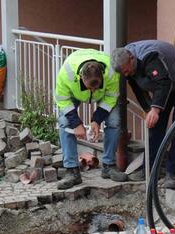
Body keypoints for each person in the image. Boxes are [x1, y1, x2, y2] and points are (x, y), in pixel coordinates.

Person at [111, 40, 175, 189]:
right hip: (165, 86)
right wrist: (148, 109)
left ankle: (172, 173)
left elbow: (164, 83)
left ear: (132, 59)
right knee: (155, 126)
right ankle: (151, 169)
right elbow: (138, 88)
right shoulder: (125, 63)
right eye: (124, 73)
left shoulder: (149, 56)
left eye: (127, 71)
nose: (127, 74)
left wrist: (155, 109)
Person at [55, 49, 128, 190]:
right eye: (91, 87)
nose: (94, 91)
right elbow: (63, 101)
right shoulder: (67, 73)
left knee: (114, 121)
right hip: (74, 94)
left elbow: (111, 97)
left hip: (105, 96)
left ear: (103, 77)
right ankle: (72, 171)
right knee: (65, 123)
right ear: (82, 78)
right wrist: (76, 124)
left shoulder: (111, 72)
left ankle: (108, 166)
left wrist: (96, 120)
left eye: (97, 87)